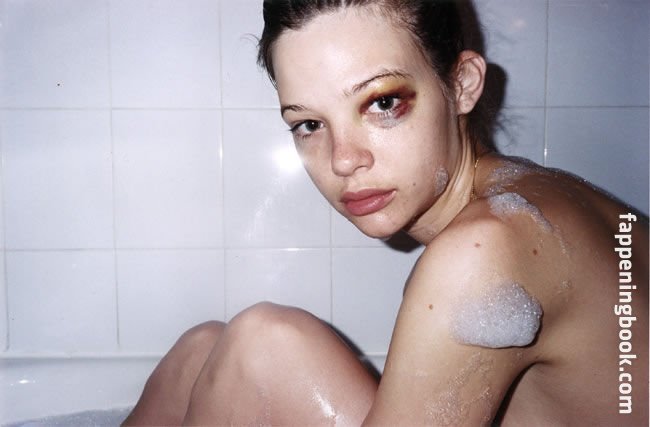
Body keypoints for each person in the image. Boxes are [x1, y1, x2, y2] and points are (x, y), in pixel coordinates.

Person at [123, 0, 649, 425]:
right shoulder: (546, 202)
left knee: (263, 346)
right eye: (309, 124)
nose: (343, 159)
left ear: (462, 84)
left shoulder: (484, 250)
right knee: (202, 352)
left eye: (381, 103)